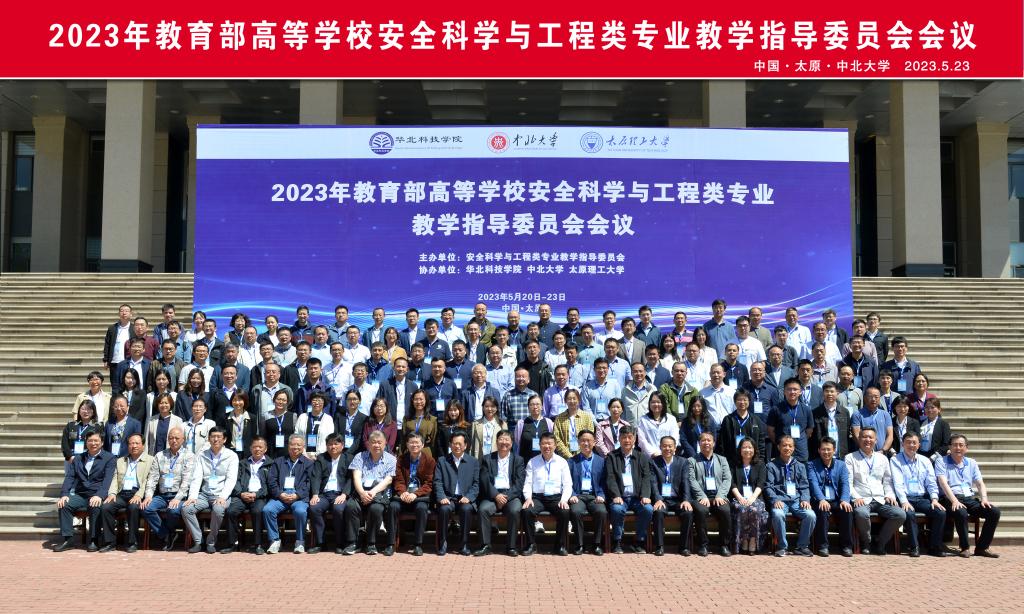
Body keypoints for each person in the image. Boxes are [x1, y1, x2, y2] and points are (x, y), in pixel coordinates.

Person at [935, 434, 1001, 558]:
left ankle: (982, 547)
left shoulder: (971, 462)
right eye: (954, 445)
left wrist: (984, 499)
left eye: (961, 445)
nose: (958, 448)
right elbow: (943, 483)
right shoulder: (941, 461)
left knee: (994, 512)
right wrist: (954, 500)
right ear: (949, 447)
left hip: (968, 497)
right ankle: (964, 547)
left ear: (966, 448)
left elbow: (980, 483)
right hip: (949, 498)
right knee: (961, 512)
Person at [844, 427, 906, 554]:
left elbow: (888, 480)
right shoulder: (850, 458)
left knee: (900, 514)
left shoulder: (882, 458)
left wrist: (890, 495)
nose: (868, 440)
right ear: (859, 439)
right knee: (861, 513)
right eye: (864, 437)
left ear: (876, 440)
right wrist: (856, 497)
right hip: (862, 498)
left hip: (880, 498)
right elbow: (848, 483)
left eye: (870, 437)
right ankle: (866, 542)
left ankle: (880, 542)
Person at [53, 431, 116, 552]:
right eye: (90, 441)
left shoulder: (109, 458)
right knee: (64, 505)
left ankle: (94, 540)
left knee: (95, 506)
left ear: (102, 443)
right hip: (81, 495)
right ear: (86, 443)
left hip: (97, 494)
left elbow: (108, 480)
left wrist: (99, 495)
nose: (93, 443)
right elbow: (70, 477)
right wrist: (64, 494)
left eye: (96, 441)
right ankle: (68, 540)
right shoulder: (78, 458)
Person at [182, 427, 239, 553]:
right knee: (186, 509)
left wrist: (223, 496)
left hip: (220, 495)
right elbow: (197, 477)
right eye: (213, 436)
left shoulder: (231, 456)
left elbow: (231, 479)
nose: (215, 439)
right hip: (204, 494)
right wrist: (192, 496)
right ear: (209, 439)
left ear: (224, 439)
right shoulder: (202, 455)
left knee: (218, 510)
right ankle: (199, 541)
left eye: (219, 437)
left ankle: (211, 541)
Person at [891, 432, 947, 557]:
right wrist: (904, 501)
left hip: (922, 498)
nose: (911, 445)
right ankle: (914, 547)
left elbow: (931, 482)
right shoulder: (895, 460)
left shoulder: (925, 461)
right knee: (909, 513)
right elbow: (897, 483)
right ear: (902, 444)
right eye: (908, 442)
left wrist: (934, 498)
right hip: (905, 498)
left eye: (914, 443)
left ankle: (934, 546)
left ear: (919, 445)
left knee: (940, 513)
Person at [141, 427, 196, 551]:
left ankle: (169, 534)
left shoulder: (189, 456)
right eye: (171, 438)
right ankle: (167, 534)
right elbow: (152, 478)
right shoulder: (160, 455)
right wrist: (148, 496)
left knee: (173, 511)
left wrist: (177, 498)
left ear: (183, 439)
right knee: (146, 508)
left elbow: (187, 481)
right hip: (162, 495)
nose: (174, 440)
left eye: (177, 438)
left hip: (179, 495)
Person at [344, 430, 397, 555]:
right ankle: (353, 542)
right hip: (361, 491)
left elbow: (388, 480)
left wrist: (372, 492)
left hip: (379, 493)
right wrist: (362, 493)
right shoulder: (360, 456)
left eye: (379, 442)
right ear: (368, 443)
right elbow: (356, 477)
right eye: (373, 442)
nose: (376, 445)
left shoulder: (391, 459)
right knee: (351, 506)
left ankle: (371, 543)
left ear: (385, 443)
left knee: (376, 509)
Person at [475, 429, 526, 557]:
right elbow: (484, 480)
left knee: (515, 510)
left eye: (507, 439)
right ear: (496, 442)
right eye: (501, 439)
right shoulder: (487, 459)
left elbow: (519, 483)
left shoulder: (518, 460)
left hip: (511, 496)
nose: (504, 442)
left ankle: (511, 547)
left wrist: (505, 497)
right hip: (492, 495)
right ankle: (485, 545)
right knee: (483, 510)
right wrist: (496, 495)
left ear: (512, 443)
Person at [99, 432, 152, 552]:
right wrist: (112, 493)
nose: (134, 446)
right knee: (106, 507)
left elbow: (148, 481)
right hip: (122, 493)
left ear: (143, 445)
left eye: (137, 443)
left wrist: (139, 495)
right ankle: (110, 542)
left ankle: (133, 542)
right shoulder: (120, 461)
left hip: (137, 493)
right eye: (131, 443)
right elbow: (114, 478)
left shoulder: (150, 460)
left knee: (133, 508)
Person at [522, 432, 573, 556]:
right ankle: (531, 544)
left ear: (555, 446)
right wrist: (528, 498)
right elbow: (527, 483)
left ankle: (559, 545)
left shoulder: (562, 462)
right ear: (539, 445)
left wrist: (564, 499)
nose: (547, 446)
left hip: (556, 498)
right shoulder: (532, 462)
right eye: (544, 443)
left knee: (564, 512)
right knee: (527, 511)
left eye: (550, 443)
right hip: (537, 497)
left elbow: (567, 484)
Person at [604, 425, 654, 554]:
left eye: (630, 437)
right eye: (624, 437)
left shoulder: (642, 457)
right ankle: (617, 541)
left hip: (637, 498)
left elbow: (646, 477)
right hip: (620, 497)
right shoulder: (611, 456)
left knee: (648, 509)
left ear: (634, 439)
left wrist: (645, 495)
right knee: (617, 509)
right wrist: (615, 495)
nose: (627, 440)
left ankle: (639, 541)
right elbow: (610, 478)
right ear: (619, 439)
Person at [263, 434, 314, 554]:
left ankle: (300, 542)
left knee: (300, 511)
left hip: (299, 497)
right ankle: (275, 541)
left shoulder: (309, 463)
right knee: (268, 510)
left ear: (303, 447)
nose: (295, 447)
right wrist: (280, 494)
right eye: (293, 444)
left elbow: (310, 483)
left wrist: (297, 495)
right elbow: (271, 481)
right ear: (288, 446)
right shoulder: (278, 461)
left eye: (298, 445)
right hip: (281, 496)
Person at [765, 435, 816, 556]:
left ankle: (802, 546)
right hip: (780, 500)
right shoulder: (771, 466)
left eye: (790, 446)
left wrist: (805, 499)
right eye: (784, 445)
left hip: (797, 501)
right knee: (777, 514)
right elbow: (768, 487)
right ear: (778, 447)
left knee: (811, 515)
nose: (787, 448)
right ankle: (782, 547)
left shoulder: (800, 466)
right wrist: (775, 499)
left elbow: (804, 486)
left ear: (793, 448)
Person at [687, 431, 733, 556]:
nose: (706, 442)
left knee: (725, 510)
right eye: (703, 440)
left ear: (714, 443)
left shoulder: (722, 460)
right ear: (699, 443)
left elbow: (727, 479)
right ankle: (703, 545)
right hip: (701, 497)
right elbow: (691, 480)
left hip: (718, 496)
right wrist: (702, 496)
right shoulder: (691, 460)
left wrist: (720, 495)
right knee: (701, 511)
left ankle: (724, 545)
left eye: (709, 440)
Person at [389, 432, 435, 556]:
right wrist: (403, 492)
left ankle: (418, 544)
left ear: (422, 445)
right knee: (393, 506)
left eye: (417, 443)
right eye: (411, 443)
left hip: (419, 497)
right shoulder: (401, 459)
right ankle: (391, 543)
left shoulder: (429, 460)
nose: (414, 445)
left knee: (422, 508)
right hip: (403, 496)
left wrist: (416, 494)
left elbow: (429, 483)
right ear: (407, 444)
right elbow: (398, 480)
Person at [434, 431, 479, 556]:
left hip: (465, 498)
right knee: (444, 509)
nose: (457, 446)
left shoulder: (473, 462)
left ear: (465, 445)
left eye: (460, 444)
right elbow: (437, 482)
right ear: (450, 445)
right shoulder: (442, 461)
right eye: (454, 443)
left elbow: (476, 484)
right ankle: (443, 543)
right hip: (448, 498)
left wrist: (469, 497)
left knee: (466, 509)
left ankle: (464, 544)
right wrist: (442, 497)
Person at [224, 436, 271, 554]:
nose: (257, 449)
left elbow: (270, 485)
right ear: (250, 448)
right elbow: (235, 481)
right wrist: (241, 493)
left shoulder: (271, 464)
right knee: (231, 511)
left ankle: (258, 544)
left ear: (265, 449)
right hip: (243, 495)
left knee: (257, 511)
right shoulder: (242, 463)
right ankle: (233, 544)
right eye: (255, 447)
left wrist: (256, 494)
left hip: (259, 496)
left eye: (260, 447)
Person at [807, 437, 854, 557]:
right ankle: (823, 546)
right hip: (820, 500)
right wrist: (821, 499)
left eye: (829, 449)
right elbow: (813, 484)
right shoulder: (812, 465)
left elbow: (845, 483)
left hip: (837, 499)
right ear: (819, 450)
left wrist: (845, 500)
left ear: (834, 450)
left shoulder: (841, 465)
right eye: (823, 449)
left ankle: (846, 546)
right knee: (822, 510)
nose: (826, 452)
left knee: (847, 510)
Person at [650, 435, 694, 556]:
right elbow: (653, 483)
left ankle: (683, 547)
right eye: (664, 446)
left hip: (678, 499)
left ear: (675, 448)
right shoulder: (653, 462)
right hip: (662, 499)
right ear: (660, 447)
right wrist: (658, 499)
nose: (667, 449)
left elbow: (686, 481)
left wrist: (686, 500)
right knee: (658, 512)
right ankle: (659, 546)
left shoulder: (683, 462)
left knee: (688, 513)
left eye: (670, 446)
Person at [568, 429, 608, 555]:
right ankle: (579, 544)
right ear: (578, 443)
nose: (586, 443)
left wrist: (601, 495)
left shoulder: (602, 461)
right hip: (578, 496)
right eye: (583, 441)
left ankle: (597, 544)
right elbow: (567, 482)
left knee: (601, 511)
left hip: (594, 496)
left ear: (594, 442)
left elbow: (605, 482)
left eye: (589, 441)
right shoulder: (571, 461)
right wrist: (572, 495)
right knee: (575, 511)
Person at [730, 437, 768, 555]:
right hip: (738, 497)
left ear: (754, 449)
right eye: (744, 447)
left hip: (755, 497)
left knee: (754, 509)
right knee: (742, 508)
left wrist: (752, 498)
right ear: (740, 450)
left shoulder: (760, 464)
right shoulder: (734, 464)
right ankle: (743, 540)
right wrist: (740, 498)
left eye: (750, 447)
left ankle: (752, 540)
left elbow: (761, 483)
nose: (747, 450)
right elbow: (732, 483)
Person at [767, 378, 815, 462]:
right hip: (783, 451)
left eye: (795, 389)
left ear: (800, 392)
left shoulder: (806, 409)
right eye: (789, 389)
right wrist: (779, 443)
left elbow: (809, 430)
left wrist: (800, 440)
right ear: (784, 392)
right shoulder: (776, 409)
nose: (792, 392)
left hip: (800, 451)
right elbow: (770, 431)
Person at [716, 391, 768, 466]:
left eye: (745, 400)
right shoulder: (728, 420)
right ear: (734, 402)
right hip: (732, 462)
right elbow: (722, 443)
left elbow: (761, 442)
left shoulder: (756, 420)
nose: (742, 402)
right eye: (739, 400)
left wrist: (759, 460)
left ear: (749, 401)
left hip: (752, 461)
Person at [811, 382, 852, 460]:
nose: (829, 394)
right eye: (827, 391)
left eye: (832, 391)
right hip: (822, 456)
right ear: (823, 393)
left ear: (837, 393)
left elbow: (847, 434)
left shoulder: (844, 412)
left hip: (841, 455)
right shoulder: (815, 412)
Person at [552, 389, 595, 459]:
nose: (572, 401)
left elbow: (590, 437)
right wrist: (568, 455)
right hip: (565, 456)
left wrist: (581, 453)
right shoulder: (559, 418)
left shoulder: (586, 417)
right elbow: (556, 438)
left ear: (579, 400)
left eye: (574, 398)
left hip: (584, 455)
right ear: (565, 401)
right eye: (569, 399)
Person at [851, 386, 894, 454]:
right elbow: (856, 436)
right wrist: (868, 451)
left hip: (881, 454)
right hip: (863, 454)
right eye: (870, 396)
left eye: (876, 397)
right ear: (864, 398)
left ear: (879, 398)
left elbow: (890, 436)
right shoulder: (857, 414)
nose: (873, 399)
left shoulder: (885, 414)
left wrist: (883, 450)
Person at [636, 392, 678, 458]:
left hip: (668, 456)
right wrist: (653, 453)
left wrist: (666, 451)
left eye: (658, 402)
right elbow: (642, 440)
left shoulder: (671, 419)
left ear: (663, 403)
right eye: (653, 402)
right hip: (650, 457)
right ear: (649, 404)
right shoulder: (643, 420)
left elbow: (675, 438)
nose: (656, 404)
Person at [295, 392, 335, 458]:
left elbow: (329, 439)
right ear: (310, 402)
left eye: (319, 400)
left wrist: (316, 455)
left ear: (324, 403)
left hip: (321, 456)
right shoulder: (302, 417)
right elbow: (297, 436)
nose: (316, 403)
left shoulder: (328, 419)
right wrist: (305, 454)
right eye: (314, 400)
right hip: (303, 455)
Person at [513, 394, 552, 462]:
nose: (535, 407)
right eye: (532, 404)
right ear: (528, 407)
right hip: (525, 461)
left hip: (544, 461)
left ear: (542, 407)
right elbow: (517, 441)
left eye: (537, 404)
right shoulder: (521, 423)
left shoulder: (548, 422)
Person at [103, 304, 133, 388]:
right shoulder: (112, 328)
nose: (124, 313)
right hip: (115, 361)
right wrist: (105, 359)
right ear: (119, 313)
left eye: (126, 311)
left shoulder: (134, 328)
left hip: (129, 361)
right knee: (115, 385)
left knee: (129, 385)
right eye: (122, 311)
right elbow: (107, 344)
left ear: (131, 314)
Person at [223, 391, 258, 458]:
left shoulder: (252, 418)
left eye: (240, 400)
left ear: (245, 401)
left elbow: (254, 436)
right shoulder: (225, 417)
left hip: (246, 453)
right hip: (230, 452)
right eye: (235, 400)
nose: (237, 402)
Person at [264, 389, 297, 458]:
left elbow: (295, 435)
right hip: (270, 452)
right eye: (278, 399)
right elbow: (263, 435)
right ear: (274, 400)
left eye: (284, 400)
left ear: (287, 402)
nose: (281, 402)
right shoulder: (266, 415)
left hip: (288, 453)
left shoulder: (293, 416)